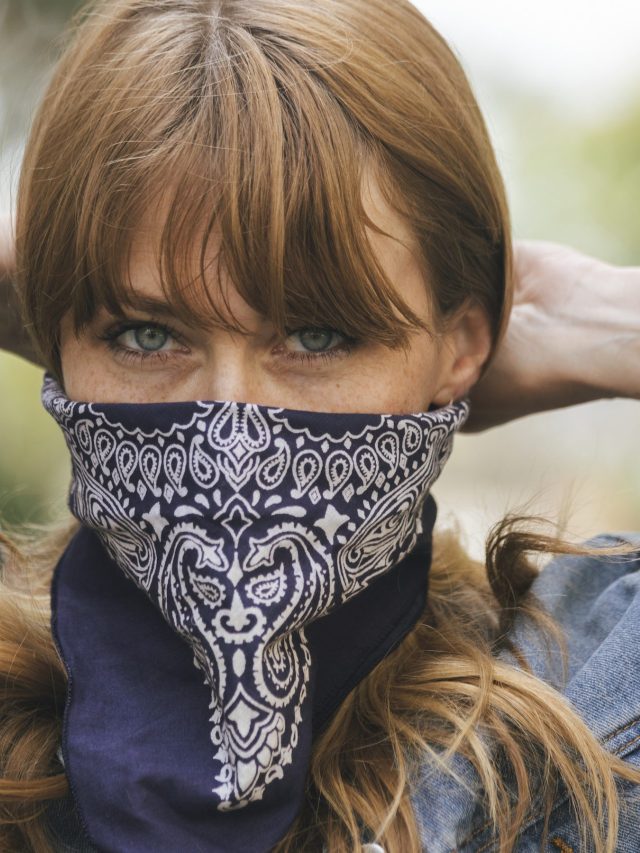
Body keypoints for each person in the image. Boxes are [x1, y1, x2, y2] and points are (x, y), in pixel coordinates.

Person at [0, 1, 639, 851]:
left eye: (317, 334)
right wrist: (59, 241)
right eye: (146, 333)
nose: (229, 429)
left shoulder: (589, 703)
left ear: (462, 345)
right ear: (56, 340)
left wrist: (617, 322)